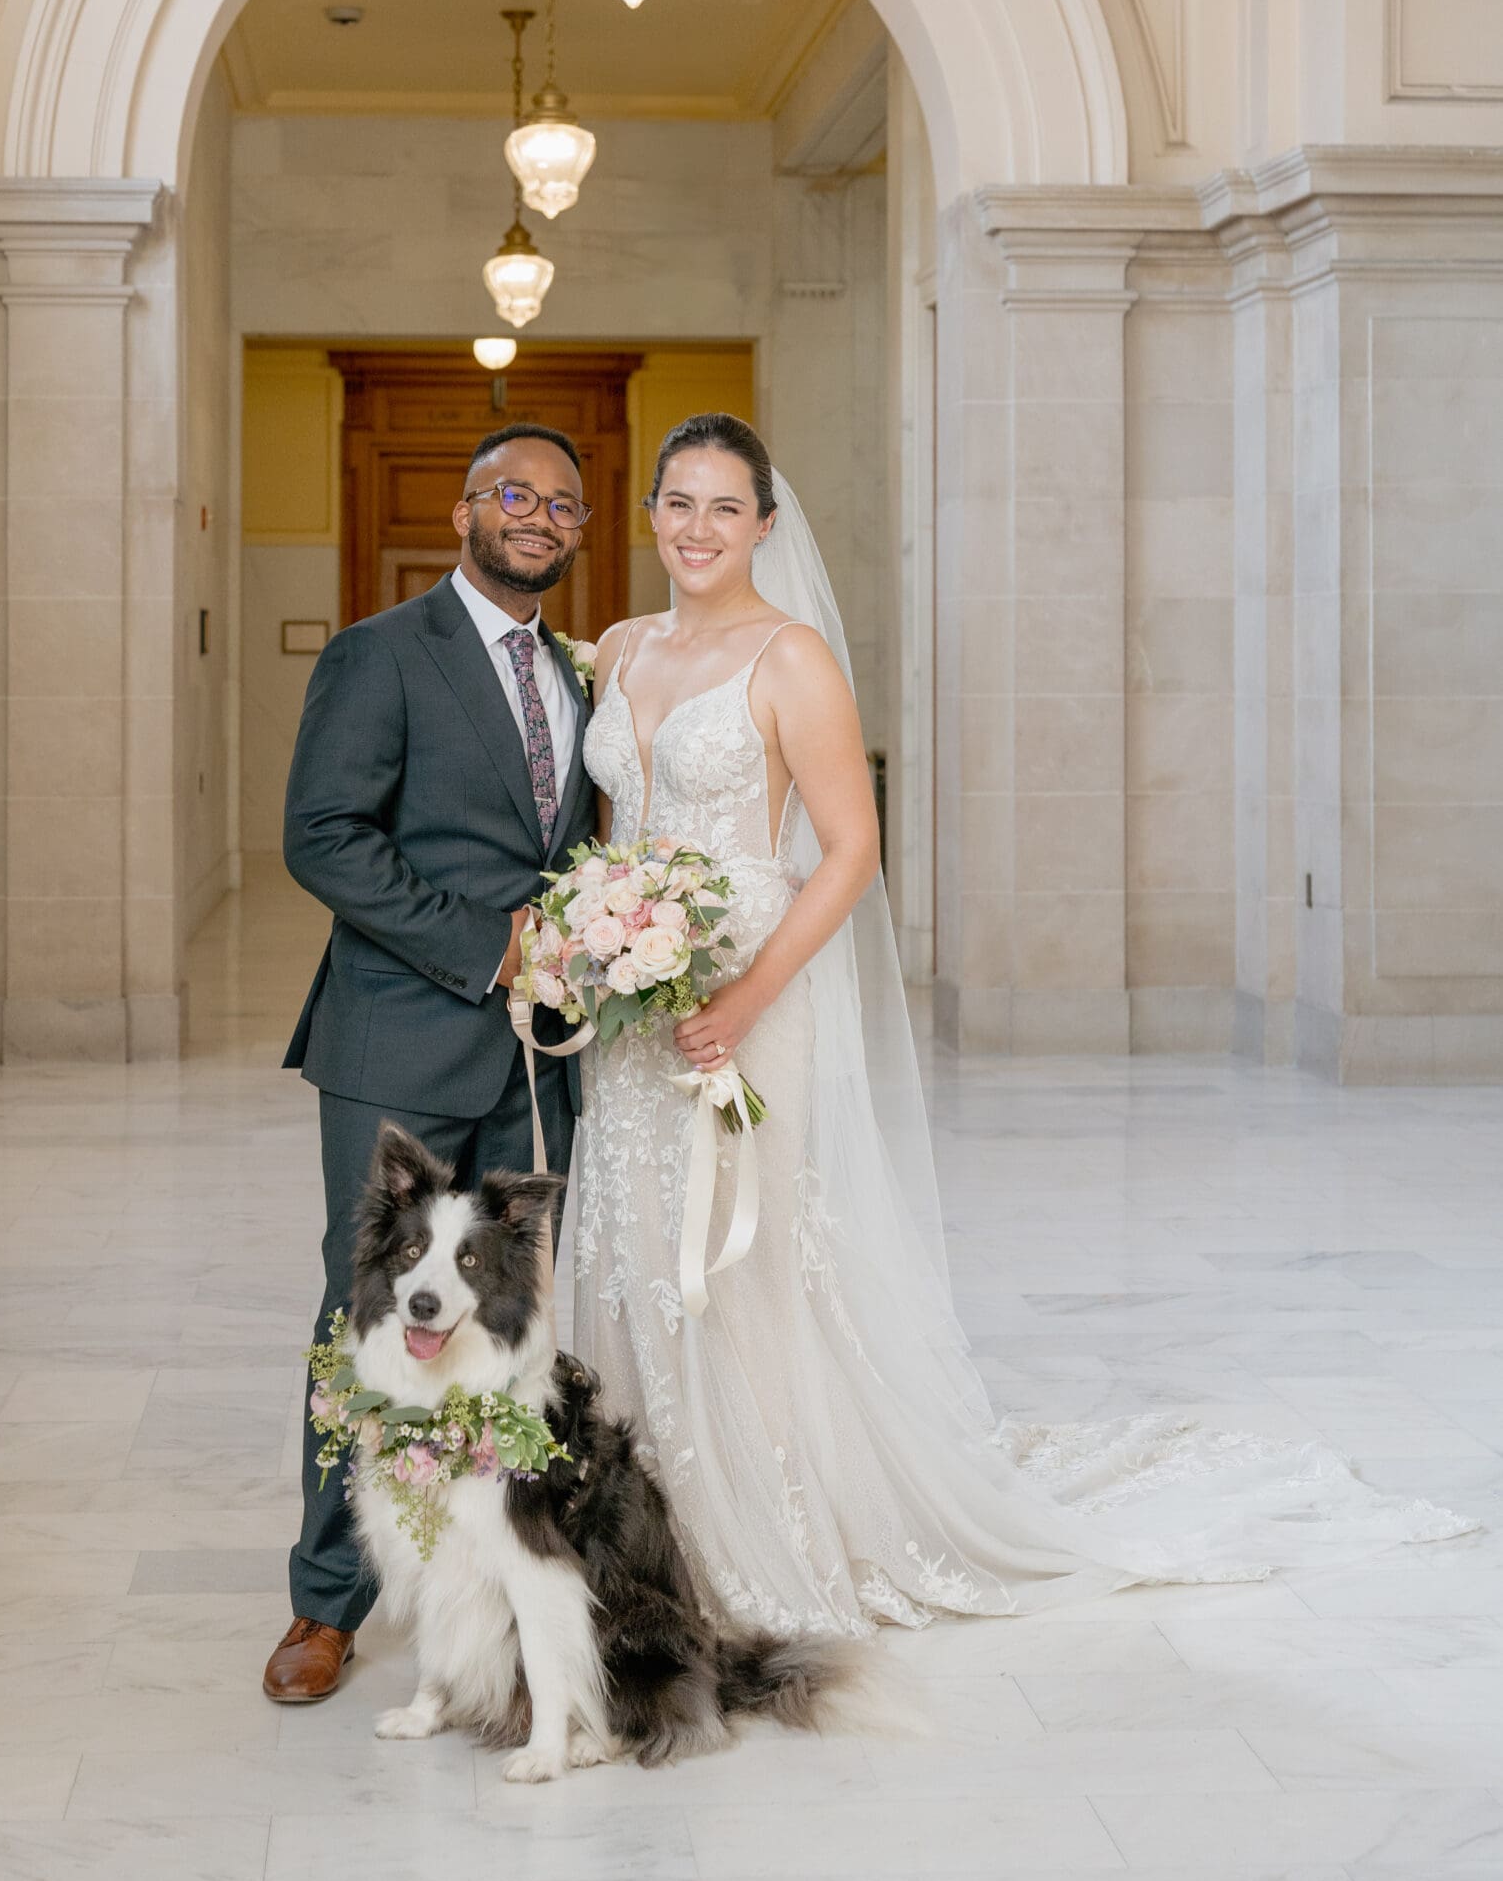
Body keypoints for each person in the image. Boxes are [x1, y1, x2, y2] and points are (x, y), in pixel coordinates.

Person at [575, 412, 1473, 1635]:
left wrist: (740, 996)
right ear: (650, 513)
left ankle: (765, 1528)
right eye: (678, 501)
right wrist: (602, 939)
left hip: (749, 993)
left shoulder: (790, 660)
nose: (698, 527)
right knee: (634, 1245)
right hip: (635, 1007)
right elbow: (614, 833)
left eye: (725, 506)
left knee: (742, 1260)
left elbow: (849, 852)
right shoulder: (620, 649)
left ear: (765, 525)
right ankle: (643, 1525)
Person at [264, 423, 596, 1702]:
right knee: (370, 1313)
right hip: (398, 1041)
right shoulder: (380, 653)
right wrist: (489, 948)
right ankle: (325, 1602)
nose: (539, 515)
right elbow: (323, 834)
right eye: (515, 493)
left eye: (563, 503)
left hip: (533, 1060)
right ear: (465, 511)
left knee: (504, 1317)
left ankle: (484, 1578)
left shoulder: (574, 672)